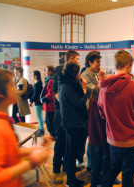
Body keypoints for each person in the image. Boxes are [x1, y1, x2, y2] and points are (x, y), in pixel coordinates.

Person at [0, 69, 50, 187]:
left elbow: (4, 152)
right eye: (12, 85)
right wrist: (33, 161)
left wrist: (31, 150)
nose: (16, 89)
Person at [98, 50, 134, 187]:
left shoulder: (103, 86)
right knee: (128, 177)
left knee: (113, 168)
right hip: (132, 140)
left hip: (113, 139)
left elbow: (101, 112)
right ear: (127, 64)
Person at [52, 50, 80, 184]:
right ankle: (56, 170)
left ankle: (67, 167)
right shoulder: (59, 71)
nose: (78, 62)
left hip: (70, 115)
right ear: (71, 59)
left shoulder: (72, 74)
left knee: (69, 145)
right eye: (77, 59)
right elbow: (57, 93)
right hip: (62, 113)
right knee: (60, 143)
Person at [59, 62, 88, 187]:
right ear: (74, 73)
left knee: (70, 152)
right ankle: (71, 181)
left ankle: (72, 179)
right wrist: (85, 89)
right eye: (77, 72)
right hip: (73, 124)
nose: (79, 75)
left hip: (72, 123)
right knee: (71, 154)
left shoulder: (66, 84)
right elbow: (79, 103)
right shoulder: (67, 86)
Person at [81, 51, 105, 171]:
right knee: (92, 138)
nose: (99, 65)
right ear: (90, 62)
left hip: (94, 110)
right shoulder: (86, 74)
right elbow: (93, 92)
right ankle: (90, 164)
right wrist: (101, 79)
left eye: (100, 62)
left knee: (93, 138)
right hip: (90, 111)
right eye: (97, 62)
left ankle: (92, 163)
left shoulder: (93, 73)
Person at [88, 86, 110, 187]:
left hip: (93, 140)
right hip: (104, 140)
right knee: (105, 166)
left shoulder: (92, 103)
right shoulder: (101, 105)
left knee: (95, 168)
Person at [41, 66, 55, 138]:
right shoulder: (49, 80)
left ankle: (52, 135)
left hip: (50, 105)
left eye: (46, 70)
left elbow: (50, 94)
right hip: (49, 105)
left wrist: (43, 99)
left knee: (50, 121)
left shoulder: (51, 81)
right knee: (49, 120)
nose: (45, 72)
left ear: (50, 71)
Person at [29, 70, 44, 137]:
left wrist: (31, 100)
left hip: (38, 102)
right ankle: (40, 128)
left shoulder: (38, 84)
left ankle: (41, 129)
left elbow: (36, 94)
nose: (32, 76)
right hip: (38, 102)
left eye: (33, 75)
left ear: (36, 76)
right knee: (39, 116)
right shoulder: (38, 83)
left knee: (39, 116)